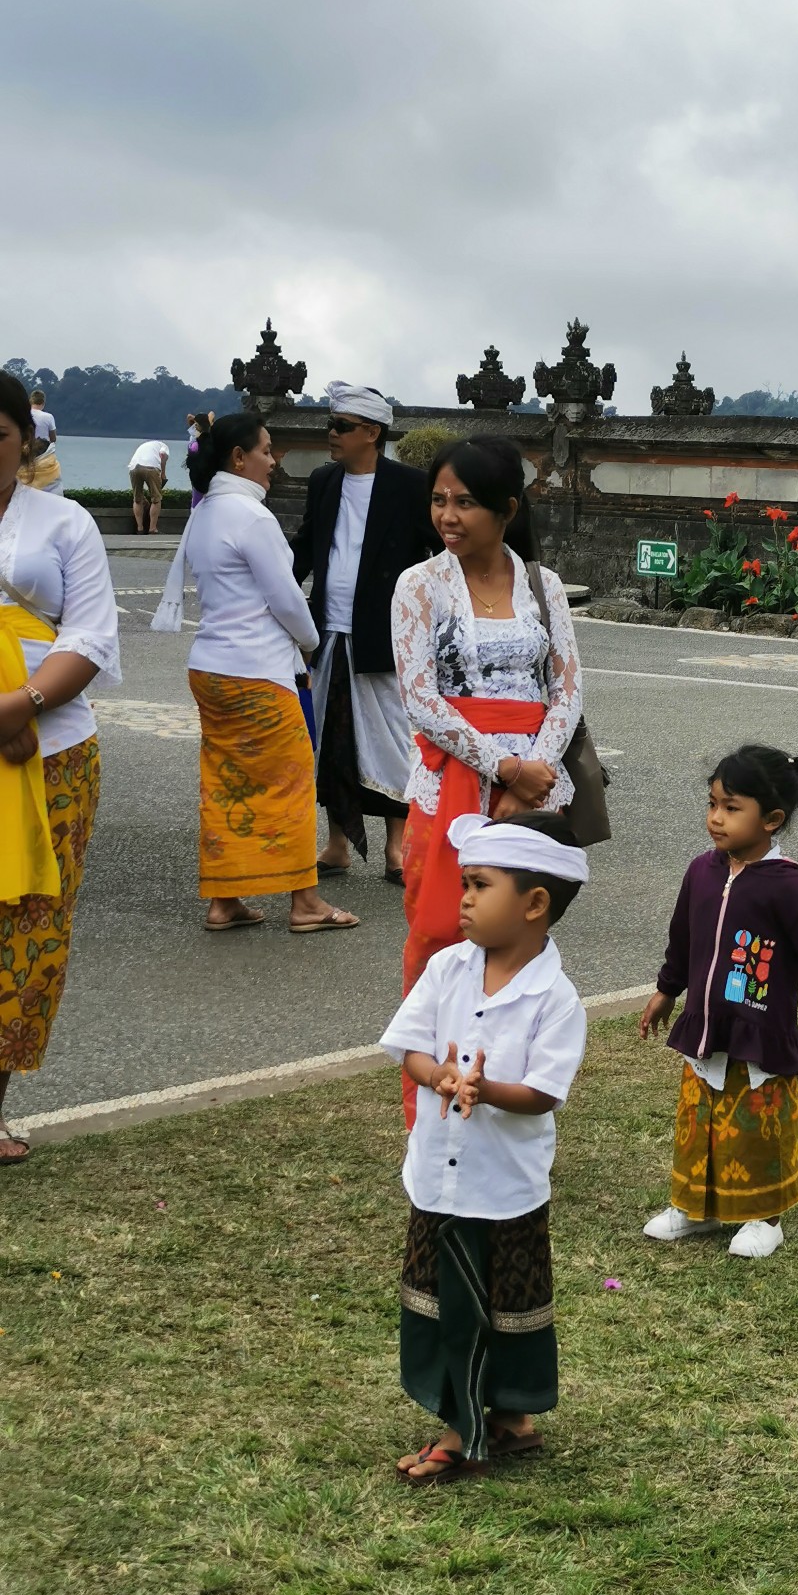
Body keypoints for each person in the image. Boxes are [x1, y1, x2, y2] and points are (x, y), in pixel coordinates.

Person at [378, 809, 589, 1481]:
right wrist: (438, 1075)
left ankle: (481, 1428)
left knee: (502, 1309)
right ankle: (482, 1422)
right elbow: (410, 1049)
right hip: (439, 1180)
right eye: (464, 884)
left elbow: (545, 1091)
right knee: (447, 1303)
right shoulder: (447, 969)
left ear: (534, 905)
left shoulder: (554, 998)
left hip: (502, 1186)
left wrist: (485, 1089)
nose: (462, 899)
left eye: (479, 885)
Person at [391, 435, 583, 1127]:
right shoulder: (418, 586)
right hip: (454, 781)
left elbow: (566, 688)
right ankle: (430, 1099)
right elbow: (420, 698)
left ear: (506, 508)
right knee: (443, 931)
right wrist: (501, 766)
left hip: (534, 782)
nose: (448, 515)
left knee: (517, 935)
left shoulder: (544, 585)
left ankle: (504, 1085)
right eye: (439, 500)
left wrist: (535, 770)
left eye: (465, 502)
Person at [639, 744, 798, 1258]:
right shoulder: (701, 871)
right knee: (699, 1121)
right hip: (706, 1026)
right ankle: (695, 1208)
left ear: (773, 820)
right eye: (712, 803)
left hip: (760, 1029)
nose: (716, 818)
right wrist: (667, 989)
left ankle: (764, 1215)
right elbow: (683, 938)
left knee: (755, 1123)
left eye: (732, 808)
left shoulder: (787, 888)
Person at [151, 413, 359, 934]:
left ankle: (225, 899)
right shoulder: (252, 518)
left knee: (225, 783)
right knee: (288, 781)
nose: (273, 460)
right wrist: (311, 644)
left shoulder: (205, 514)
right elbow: (286, 599)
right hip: (257, 671)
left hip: (211, 668)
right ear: (239, 459)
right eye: (266, 450)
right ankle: (306, 901)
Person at [0, 372, 120, 1163]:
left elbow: (91, 636)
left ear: (25, 439)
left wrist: (22, 707)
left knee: (29, 928)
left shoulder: (65, 522)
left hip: (53, 748)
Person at [291, 382, 439, 883]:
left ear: (371, 433)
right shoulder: (323, 480)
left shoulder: (408, 485)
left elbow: (439, 550)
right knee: (332, 738)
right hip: (327, 630)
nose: (331, 435)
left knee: (395, 740)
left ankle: (398, 848)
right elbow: (306, 545)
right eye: (331, 426)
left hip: (384, 632)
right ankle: (337, 844)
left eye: (341, 427)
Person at [19, 388, 60, 493]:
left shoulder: (23, 415)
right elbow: (53, 438)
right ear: (43, 403)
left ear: (30, 401)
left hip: (25, 450)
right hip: (43, 452)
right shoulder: (48, 417)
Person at [128, 438, 170, 534]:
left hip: (134, 467)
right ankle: (152, 528)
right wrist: (163, 473)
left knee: (137, 499)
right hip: (151, 467)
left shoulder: (144, 445)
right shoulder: (164, 446)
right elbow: (163, 455)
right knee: (156, 499)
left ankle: (140, 528)